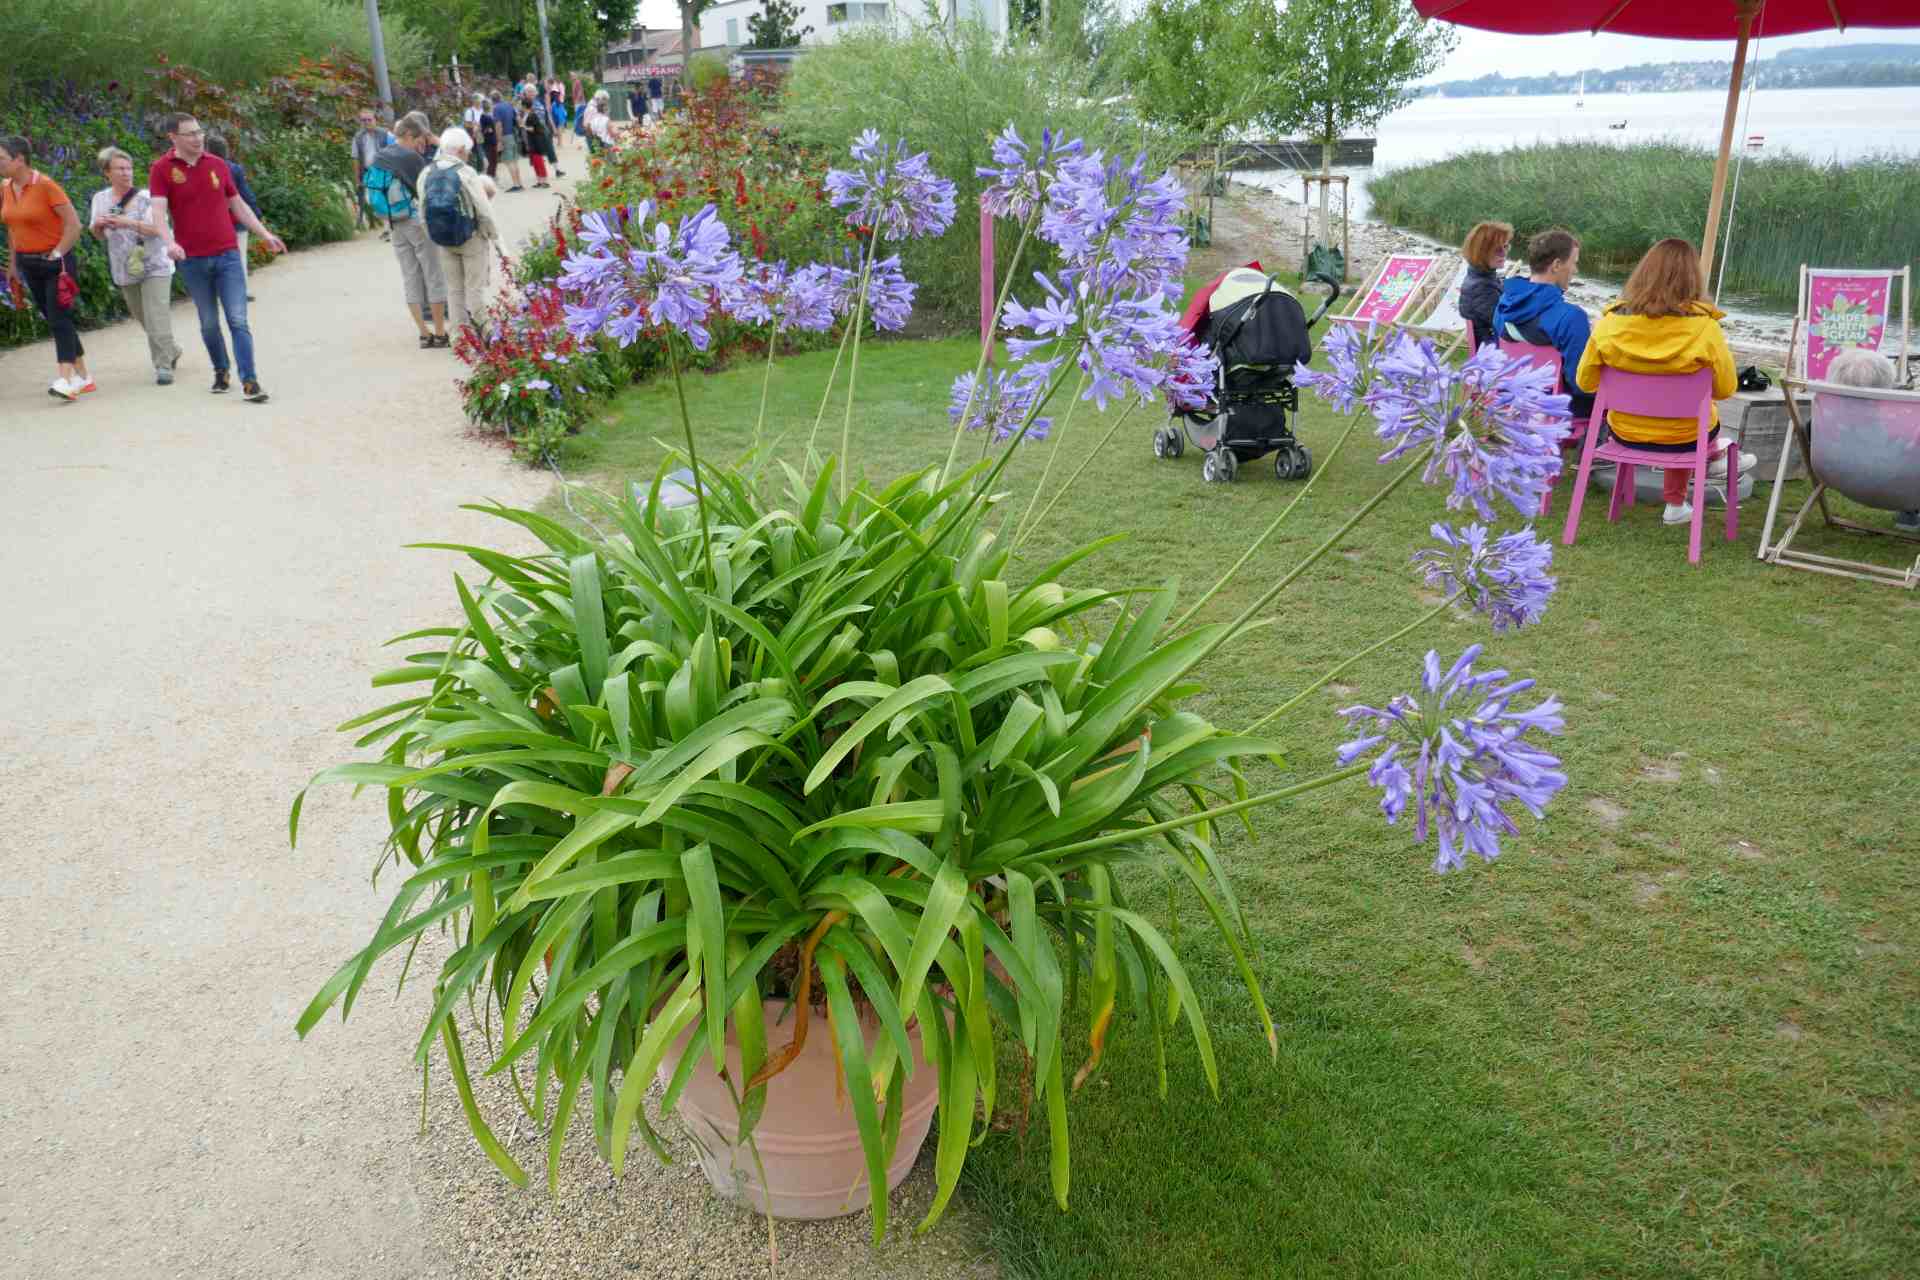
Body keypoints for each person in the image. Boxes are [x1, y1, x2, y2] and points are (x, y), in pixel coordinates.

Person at [1575, 238, 1749, 528]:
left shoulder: (1609, 324)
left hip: (1625, 432)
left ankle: (1708, 468)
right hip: (1686, 437)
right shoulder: (1706, 329)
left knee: (1687, 423)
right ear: (1693, 278)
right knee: (1695, 422)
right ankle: (1694, 483)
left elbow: (1585, 381)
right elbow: (1725, 389)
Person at [151, 113, 286, 402]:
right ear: (173, 137)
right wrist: (169, 242)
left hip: (228, 255)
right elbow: (158, 212)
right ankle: (221, 370)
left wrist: (264, 234)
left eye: (199, 132)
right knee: (209, 323)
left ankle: (250, 381)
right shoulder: (161, 169)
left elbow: (238, 205)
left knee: (238, 319)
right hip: (192, 260)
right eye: (190, 134)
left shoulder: (218, 165)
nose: (197, 138)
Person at [1, 134, 92, 400]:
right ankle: (84, 377)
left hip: (56, 264)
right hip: (28, 263)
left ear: (20, 159)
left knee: (59, 318)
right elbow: (13, 227)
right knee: (55, 319)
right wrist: (13, 263)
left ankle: (66, 380)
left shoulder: (46, 186)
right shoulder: (5, 187)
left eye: (2, 159)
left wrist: (56, 253)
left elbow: (74, 225)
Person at [87, 146, 182, 385]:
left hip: (156, 263)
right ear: (107, 172)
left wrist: (126, 222)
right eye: (120, 169)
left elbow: (158, 230)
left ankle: (163, 366)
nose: (126, 173)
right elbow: (97, 235)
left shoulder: (148, 197)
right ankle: (171, 349)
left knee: (156, 314)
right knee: (142, 316)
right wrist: (98, 226)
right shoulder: (100, 199)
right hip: (124, 267)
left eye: (128, 168)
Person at [1494, 227, 1594, 418]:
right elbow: (1581, 385)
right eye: (1574, 263)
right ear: (1556, 265)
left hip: (1513, 398)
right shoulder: (1571, 317)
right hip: (1556, 406)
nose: (1575, 270)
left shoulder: (1502, 304)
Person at [371, 112, 450, 349]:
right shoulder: (410, 158)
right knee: (433, 273)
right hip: (416, 222)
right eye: (419, 139)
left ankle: (423, 333)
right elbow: (429, 187)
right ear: (408, 135)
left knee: (410, 276)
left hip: (393, 224)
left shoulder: (380, 156)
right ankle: (440, 332)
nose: (420, 144)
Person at [417, 126, 499, 339]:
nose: (469, 154)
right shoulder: (466, 172)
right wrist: (491, 235)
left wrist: (434, 235)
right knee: (475, 287)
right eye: (468, 151)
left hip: (443, 239)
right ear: (461, 149)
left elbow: (422, 210)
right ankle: (487, 331)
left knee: (454, 289)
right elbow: (483, 209)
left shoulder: (426, 173)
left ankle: (459, 337)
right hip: (471, 238)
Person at [1823, 348, 1916, 531]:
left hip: (1838, 478)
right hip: (1895, 485)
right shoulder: (1899, 422)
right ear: (1887, 384)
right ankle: (1909, 512)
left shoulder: (1822, 420)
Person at [203, 135, 261, 301]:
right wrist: (256, 215)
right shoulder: (234, 169)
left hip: (213, 221)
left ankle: (217, 291)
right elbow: (245, 194)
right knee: (239, 256)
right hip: (237, 220)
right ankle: (241, 291)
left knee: (214, 257)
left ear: (208, 150)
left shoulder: (203, 168)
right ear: (226, 151)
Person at [1458, 220, 1511, 350]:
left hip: (1492, 346)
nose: (1504, 253)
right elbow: (1507, 328)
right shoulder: (1482, 287)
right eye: (1497, 249)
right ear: (1481, 252)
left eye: (1505, 246)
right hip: (1493, 353)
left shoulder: (1482, 277)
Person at [352, 109, 395, 237]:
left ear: (375, 120)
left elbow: (395, 151)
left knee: (385, 199)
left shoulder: (386, 134)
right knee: (374, 201)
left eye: (369, 119)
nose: (366, 122)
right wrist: (357, 179)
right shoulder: (358, 137)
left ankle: (388, 228)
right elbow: (355, 158)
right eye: (363, 120)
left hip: (384, 171)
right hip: (369, 173)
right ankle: (388, 226)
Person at [519, 87, 555, 188]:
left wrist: (524, 127)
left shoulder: (532, 115)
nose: (520, 107)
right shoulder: (527, 114)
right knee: (535, 162)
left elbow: (533, 129)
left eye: (521, 105)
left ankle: (544, 181)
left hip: (536, 141)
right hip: (531, 141)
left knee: (539, 161)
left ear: (524, 106)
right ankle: (539, 181)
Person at [490, 93, 525, 192]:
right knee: (514, 161)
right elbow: (518, 119)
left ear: (492, 100)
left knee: (509, 161)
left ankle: (516, 185)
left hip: (505, 136)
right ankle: (519, 183)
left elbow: (498, 125)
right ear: (501, 97)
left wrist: (499, 141)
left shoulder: (496, 108)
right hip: (513, 135)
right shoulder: (509, 105)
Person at [582, 90, 616, 155]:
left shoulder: (593, 106)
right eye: (605, 100)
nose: (606, 103)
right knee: (597, 156)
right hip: (593, 137)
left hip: (595, 137)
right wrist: (595, 137)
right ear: (601, 98)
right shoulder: (592, 108)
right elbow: (587, 125)